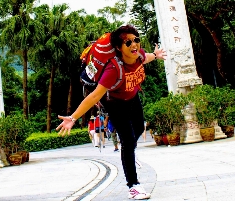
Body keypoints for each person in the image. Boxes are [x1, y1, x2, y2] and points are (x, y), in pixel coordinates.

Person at [57, 25, 166, 200]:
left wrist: (157, 55)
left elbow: (147, 58)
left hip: (132, 97)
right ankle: (134, 186)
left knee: (138, 128)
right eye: (128, 42)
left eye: (136, 40)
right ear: (118, 47)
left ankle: (127, 153)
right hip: (114, 103)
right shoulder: (113, 69)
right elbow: (94, 97)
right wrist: (73, 117)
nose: (134, 45)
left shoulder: (139, 55)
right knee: (128, 140)